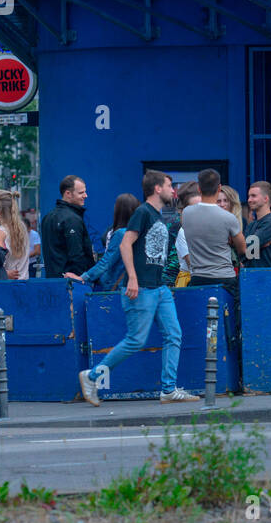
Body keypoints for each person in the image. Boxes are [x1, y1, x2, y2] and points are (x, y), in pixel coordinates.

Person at [79, 171, 198, 405]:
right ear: (157, 189)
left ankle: (168, 389)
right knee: (135, 340)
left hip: (159, 287)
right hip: (141, 288)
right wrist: (132, 278)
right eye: (168, 185)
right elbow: (125, 244)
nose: (173, 190)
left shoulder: (157, 215)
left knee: (174, 335)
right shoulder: (143, 212)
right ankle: (91, 377)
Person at [182, 169, 246, 354]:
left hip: (198, 277)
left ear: (199, 188)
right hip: (224, 279)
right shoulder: (228, 218)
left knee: (200, 327)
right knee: (229, 326)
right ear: (219, 188)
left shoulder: (186, 213)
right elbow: (242, 248)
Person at [68, 193, 139, 290]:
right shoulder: (137, 233)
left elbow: (106, 262)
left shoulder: (121, 234)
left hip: (117, 287)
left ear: (119, 211)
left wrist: (83, 278)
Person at [41, 175, 95, 278]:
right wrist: (83, 278)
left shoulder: (47, 217)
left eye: (85, 191)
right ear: (68, 194)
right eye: (81, 192)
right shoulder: (72, 219)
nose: (86, 195)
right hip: (71, 283)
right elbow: (77, 255)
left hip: (52, 280)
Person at [241, 181, 271, 268]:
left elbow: (247, 248)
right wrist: (255, 246)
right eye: (249, 196)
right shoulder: (251, 225)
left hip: (267, 277)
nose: (249, 200)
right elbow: (245, 252)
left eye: (253, 196)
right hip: (250, 276)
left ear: (266, 198)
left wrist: (250, 247)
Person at [0, 190, 31, 282]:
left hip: (8, 284)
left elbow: (0, 260)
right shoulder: (22, 227)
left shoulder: (1, 231)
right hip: (25, 281)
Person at [26, 211, 43, 278]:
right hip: (20, 264)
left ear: (29, 228)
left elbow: (38, 251)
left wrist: (24, 257)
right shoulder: (18, 234)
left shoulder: (34, 234)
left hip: (31, 263)